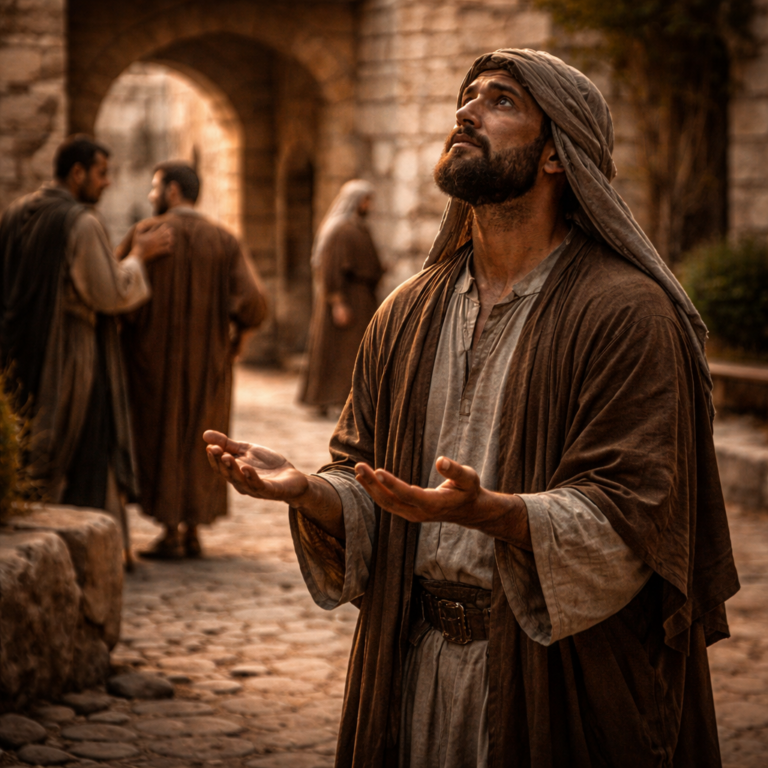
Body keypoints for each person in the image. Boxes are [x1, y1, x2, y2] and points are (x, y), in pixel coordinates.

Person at [204, 49, 740, 767]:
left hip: (557, 685)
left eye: (501, 101)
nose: (466, 112)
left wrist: (489, 511)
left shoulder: (627, 313)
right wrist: (313, 492)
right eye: (468, 97)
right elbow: (368, 483)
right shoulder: (406, 312)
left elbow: (638, 516)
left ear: (558, 155)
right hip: (413, 672)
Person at [0, 134, 172, 563]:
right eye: (101, 173)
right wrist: (137, 257)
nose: (107, 183)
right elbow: (110, 292)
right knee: (78, 438)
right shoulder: (81, 221)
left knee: (27, 438)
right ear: (77, 173)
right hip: (68, 350)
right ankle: (78, 549)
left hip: (17, 349)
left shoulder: (15, 211)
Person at [117, 161, 267, 559]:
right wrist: (238, 337)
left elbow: (117, 296)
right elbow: (253, 304)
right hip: (208, 364)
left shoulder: (144, 235)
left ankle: (170, 529)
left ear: (172, 191)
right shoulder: (223, 240)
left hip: (153, 364)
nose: (151, 196)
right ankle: (193, 529)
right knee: (203, 439)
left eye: (155, 188)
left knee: (161, 438)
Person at [299, 180, 384, 415]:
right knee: (339, 352)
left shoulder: (356, 228)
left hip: (361, 299)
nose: (369, 205)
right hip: (348, 300)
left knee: (353, 352)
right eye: (366, 200)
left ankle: (348, 400)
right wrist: (338, 302)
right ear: (357, 202)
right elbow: (330, 269)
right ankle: (330, 399)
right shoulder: (342, 230)